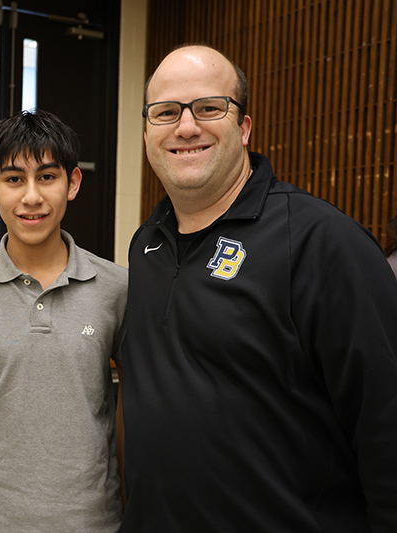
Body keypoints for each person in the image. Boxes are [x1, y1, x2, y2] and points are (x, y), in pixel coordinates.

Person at [119, 44, 397, 532]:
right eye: (165, 113)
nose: (186, 127)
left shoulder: (321, 242)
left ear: (244, 128)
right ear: (146, 133)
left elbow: (386, 422)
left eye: (209, 108)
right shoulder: (146, 246)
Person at [0, 109, 127, 533]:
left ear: (72, 183)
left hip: (91, 521)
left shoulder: (117, 288)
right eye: (14, 179)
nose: (31, 197)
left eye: (47, 177)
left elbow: (126, 414)